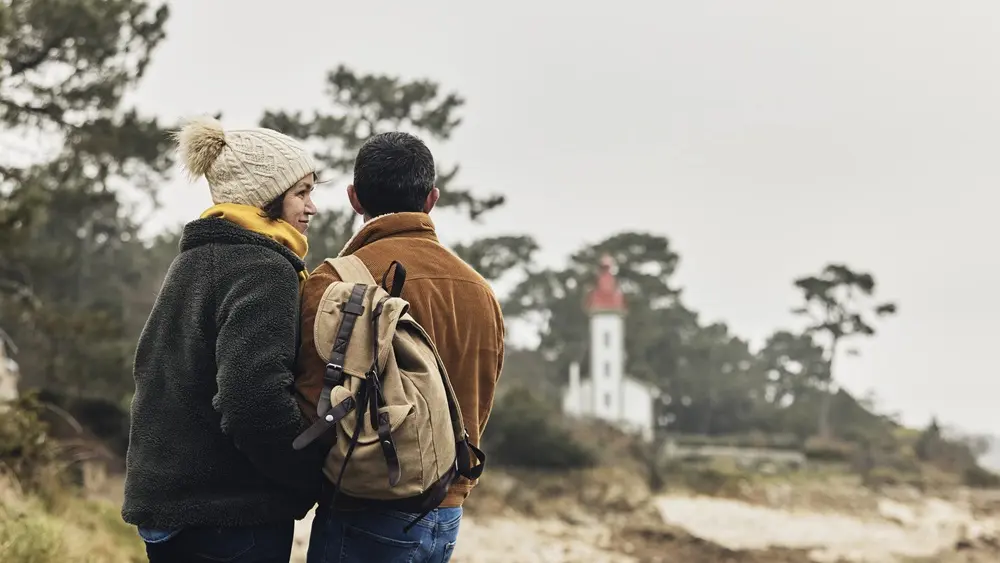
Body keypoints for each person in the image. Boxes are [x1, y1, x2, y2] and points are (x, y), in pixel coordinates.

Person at [122, 116, 329, 562]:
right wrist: (309, 476)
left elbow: (152, 372)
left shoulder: (196, 259)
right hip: (226, 518)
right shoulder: (265, 269)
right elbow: (252, 399)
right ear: (263, 196)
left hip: (168, 509)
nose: (312, 207)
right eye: (302, 192)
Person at [295, 131, 505, 563]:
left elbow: (311, 404)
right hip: (447, 514)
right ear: (431, 199)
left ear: (355, 199)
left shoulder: (334, 283)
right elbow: (478, 404)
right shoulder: (479, 292)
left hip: (364, 510)